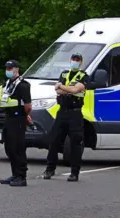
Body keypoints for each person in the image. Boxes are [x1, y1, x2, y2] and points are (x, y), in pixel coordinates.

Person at [41, 53, 88, 182]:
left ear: (81, 62)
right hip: (62, 112)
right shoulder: (64, 74)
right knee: (54, 140)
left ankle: (74, 172)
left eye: (77, 60)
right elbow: (58, 91)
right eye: (73, 59)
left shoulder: (83, 76)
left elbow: (75, 90)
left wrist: (62, 87)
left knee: (75, 143)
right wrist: (67, 89)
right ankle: (50, 169)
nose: (75, 62)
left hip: (75, 113)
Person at [0, 60, 32, 187]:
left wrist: (25, 116)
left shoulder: (23, 85)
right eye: (7, 68)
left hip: (18, 118)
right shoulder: (7, 83)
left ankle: (21, 176)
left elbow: (28, 105)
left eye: (10, 68)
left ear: (16, 69)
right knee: (9, 147)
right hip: (8, 117)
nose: (8, 70)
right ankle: (15, 173)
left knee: (18, 147)